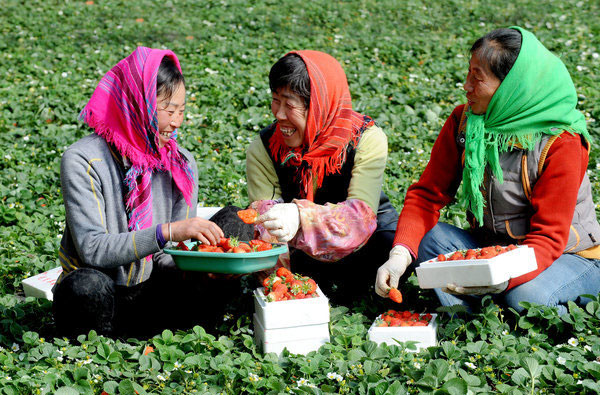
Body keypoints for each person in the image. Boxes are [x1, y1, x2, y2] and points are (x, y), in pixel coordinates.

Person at [375, 27, 600, 315]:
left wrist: (503, 278)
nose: (466, 86)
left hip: (567, 256)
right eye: (468, 73)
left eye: (477, 78)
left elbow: (549, 238)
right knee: (428, 240)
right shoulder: (465, 122)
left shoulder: (562, 141)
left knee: (526, 297)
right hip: (497, 249)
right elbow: (427, 195)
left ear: (510, 87)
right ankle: (471, 318)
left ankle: (505, 309)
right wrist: (400, 254)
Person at [53, 47, 228, 337]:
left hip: (151, 296)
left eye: (182, 111)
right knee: (85, 288)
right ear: (137, 104)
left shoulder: (180, 163)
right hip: (101, 297)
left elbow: (170, 256)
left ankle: (174, 332)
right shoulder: (82, 160)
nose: (177, 122)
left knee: (234, 222)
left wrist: (204, 263)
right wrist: (167, 232)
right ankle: (102, 347)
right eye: (169, 111)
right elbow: (93, 249)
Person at [246, 51, 399, 302]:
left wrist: (300, 216)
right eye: (275, 100)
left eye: (290, 104)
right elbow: (266, 228)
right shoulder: (264, 147)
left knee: (391, 250)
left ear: (319, 105)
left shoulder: (366, 139)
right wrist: (284, 293)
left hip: (368, 246)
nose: (279, 114)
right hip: (302, 256)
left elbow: (360, 219)